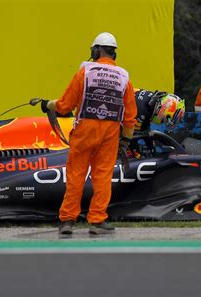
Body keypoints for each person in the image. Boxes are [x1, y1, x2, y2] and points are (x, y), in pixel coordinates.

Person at [38, 32, 137, 235]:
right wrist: (126, 140)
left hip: (84, 132)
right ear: (114, 53)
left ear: (96, 50)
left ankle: (67, 221)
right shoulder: (124, 77)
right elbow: (130, 116)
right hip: (109, 134)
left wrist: (47, 104)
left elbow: (66, 105)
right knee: (102, 178)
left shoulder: (85, 72)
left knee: (76, 176)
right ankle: (97, 221)